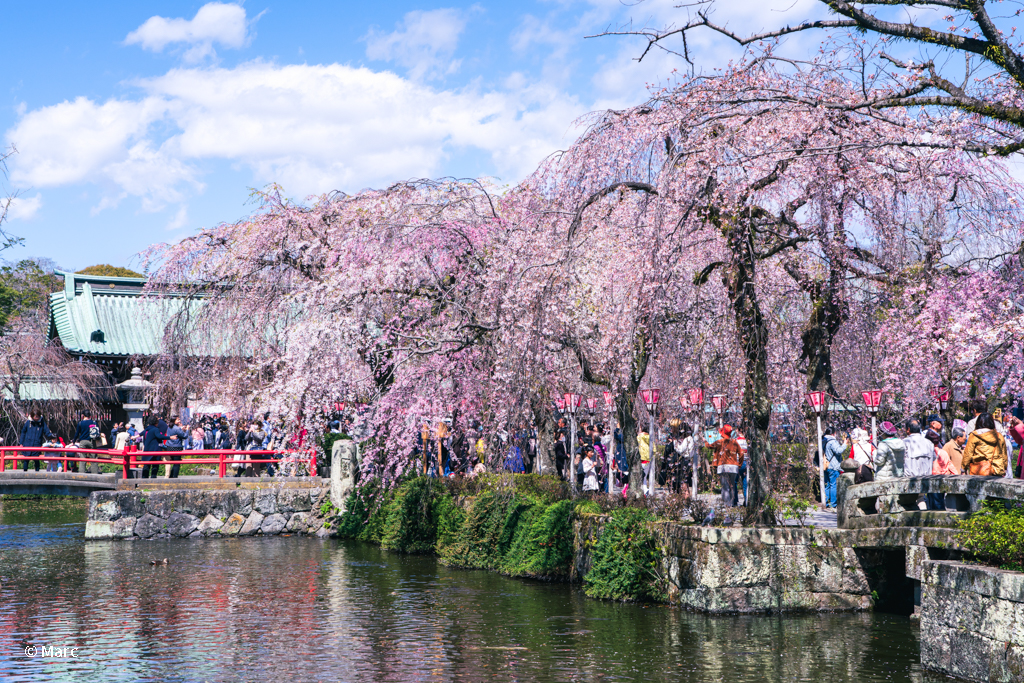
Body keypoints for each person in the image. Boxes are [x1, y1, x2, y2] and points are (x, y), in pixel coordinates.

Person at [962, 412, 1008, 476]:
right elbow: (1004, 455)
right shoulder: (999, 436)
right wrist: (1004, 467)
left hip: (979, 470)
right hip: (997, 470)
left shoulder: (975, 435)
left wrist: (963, 468)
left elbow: (968, 453)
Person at [708, 425, 742, 507]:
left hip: (723, 467)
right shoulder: (734, 442)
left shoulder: (720, 442)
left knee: (725, 486)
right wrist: (739, 464)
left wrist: (705, 440)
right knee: (732, 486)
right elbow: (741, 453)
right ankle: (732, 502)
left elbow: (709, 446)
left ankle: (727, 504)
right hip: (733, 467)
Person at [821, 426, 848, 510]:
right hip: (833, 466)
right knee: (833, 485)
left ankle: (826, 502)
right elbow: (838, 450)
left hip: (825, 465)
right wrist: (844, 444)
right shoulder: (832, 441)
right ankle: (833, 503)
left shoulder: (823, 440)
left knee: (827, 485)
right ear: (833, 433)